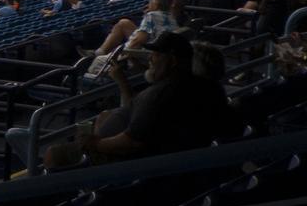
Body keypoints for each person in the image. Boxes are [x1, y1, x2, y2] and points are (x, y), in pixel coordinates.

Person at [80, 33, 230, 162]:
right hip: (168, 162)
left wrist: (94, 144)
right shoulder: (211, 90)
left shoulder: (163, 94)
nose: (150, 58)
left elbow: (131, 143)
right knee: (104, 116)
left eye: (156, 55)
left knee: (57, 155)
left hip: (131, 166)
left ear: (174, 62)